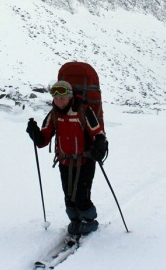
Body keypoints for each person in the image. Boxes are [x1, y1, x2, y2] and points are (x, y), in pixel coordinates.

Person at [26, 80, 108, 241]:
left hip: (85, 161)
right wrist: (34, 133)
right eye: (56, 98)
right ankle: (76, 221)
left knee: (82, 196)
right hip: (65, 162)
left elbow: (98, 133)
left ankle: (89, 221)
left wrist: (100, 145)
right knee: (69, 196)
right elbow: (43, 140)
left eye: (62, 97)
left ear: (70, 96)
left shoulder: (84, 111)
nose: (59, 101)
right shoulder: (54, 114)